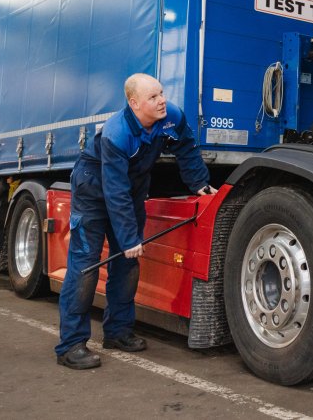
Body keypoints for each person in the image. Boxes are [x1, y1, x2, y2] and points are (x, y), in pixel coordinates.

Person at [55, 73, 215, 369]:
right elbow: (114, 192)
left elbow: (186, 146)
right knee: (85, 266)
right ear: (134, 103)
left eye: (161, 93)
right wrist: (128, 238)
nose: (162, 100)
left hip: (131, 189)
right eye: (153, 97)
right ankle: (70, 345)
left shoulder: (170, 116)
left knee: (128, 265)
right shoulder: (117, 133)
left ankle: (117, 332)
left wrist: (199, 183)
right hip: (93, 190)